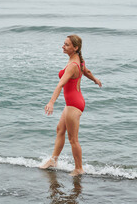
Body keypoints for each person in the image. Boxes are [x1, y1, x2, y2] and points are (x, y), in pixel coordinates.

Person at [40, 35, 102, 176]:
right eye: (64, 44)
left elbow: (61, 84)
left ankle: (79, 168)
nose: (63, 46)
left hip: (74, 104)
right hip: (73, 103)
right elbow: (86, 71)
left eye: (67, 45)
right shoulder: (78, 60)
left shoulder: (73, 66)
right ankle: (53, 160)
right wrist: (95, 79)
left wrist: (51, 102)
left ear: (75, 48)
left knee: (73, 139)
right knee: (60, 130)